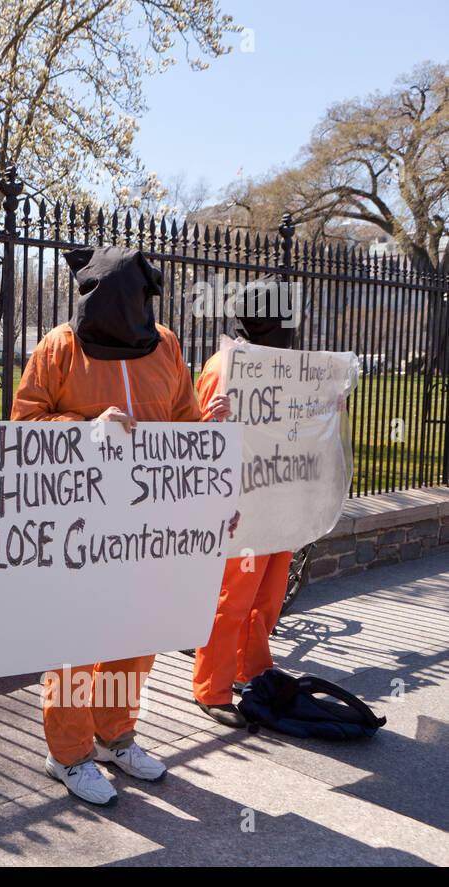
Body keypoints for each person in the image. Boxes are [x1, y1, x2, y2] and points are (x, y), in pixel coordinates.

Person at [12, 245, 236, 807]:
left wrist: (210, 445)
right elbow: (24, 425)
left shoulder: (166, 345)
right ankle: (67, 754)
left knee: (135, 635)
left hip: (147, 526)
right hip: (79, 526)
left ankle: (115, 735)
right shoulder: (58, 347)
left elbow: (183, 424)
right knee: (75, 640)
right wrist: (86, 426)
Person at [191, 278, 297, 727]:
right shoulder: (224, 365)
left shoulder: (286, 365)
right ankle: (210, 689)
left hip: (279, 498)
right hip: (239, 505)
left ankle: (249, 668)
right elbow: (195, 433)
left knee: (267, 597)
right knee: (232, 598)